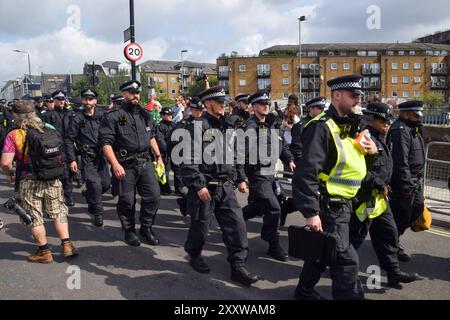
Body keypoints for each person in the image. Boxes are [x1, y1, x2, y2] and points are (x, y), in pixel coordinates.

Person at [292, 75, 378, 300]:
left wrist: (372, 152)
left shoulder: (353, 125)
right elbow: (306, 173)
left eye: (359, 96)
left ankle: (303, 292)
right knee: (347, 261)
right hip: (330, 206)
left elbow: (355, 165)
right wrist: (310, 212)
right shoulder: (320, 127)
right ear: (337, 95)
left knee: (323, 253)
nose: (357, 101)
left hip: (347, 203)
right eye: (353, 96)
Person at [180, 86, 258, 286]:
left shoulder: (227, 127)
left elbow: (234, 155)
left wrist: (240, 177)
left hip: (225, 187)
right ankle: (195, 254)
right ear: (207, 104)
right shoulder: (196, 127)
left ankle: (238, 266)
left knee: (237, 226)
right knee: (201, 227)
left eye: (224, 101)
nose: (224, 105)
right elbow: (187, 160)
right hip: (205, 188)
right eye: (219, 102)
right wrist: (198, 185)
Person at [350, 102, 422, 289]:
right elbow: (359, 171)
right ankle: (331, 267)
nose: (387, 123)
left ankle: (393, 274)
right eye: (383, 120)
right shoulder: (363, 139)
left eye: (387, 120)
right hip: (364, 199)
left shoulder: (380, 137)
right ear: (371, 119)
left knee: (389, 235)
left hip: (380, 199)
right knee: (354, 238)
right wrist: (380, 183)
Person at [0, 100, 78, 263]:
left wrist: (8, 174)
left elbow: (6, 162)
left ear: (15, 116)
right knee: (59, 211)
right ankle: (67, 245)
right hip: (53, 177)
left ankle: (44, 251)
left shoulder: (14, 135)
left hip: (29, 180)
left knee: (34, 216)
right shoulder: (49, 128)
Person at [99, 80, 164, 247]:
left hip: (145, 161)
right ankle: (129, 230)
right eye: (131, 92)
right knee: (127, 201)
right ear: (124, 94)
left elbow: (151, 137)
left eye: (137, 92)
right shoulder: (113, 116)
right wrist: (114, 164)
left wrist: (158, 156)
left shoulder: (145, 114)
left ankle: (146, 228)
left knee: (154, 196)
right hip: (125, 163)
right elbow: (106, 143)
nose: (135, 95)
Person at [241, 92, 295, 262]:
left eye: (267, 103)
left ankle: (236, 219)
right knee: (273, 208)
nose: (266, 106)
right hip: (258, 174)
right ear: (254, 107)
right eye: (262, 103)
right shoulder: (248, 128)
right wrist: (240, 177)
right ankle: (272, 242)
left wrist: (290, 160)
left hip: (271, 174)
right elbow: (239, 153)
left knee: (259, 206)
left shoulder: (272, 125)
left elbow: (282, 145)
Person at [65, 89, 111, 227]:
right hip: (86, 157)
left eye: (90, 99)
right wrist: (72, 159)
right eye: (85, 99)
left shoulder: (103, 116)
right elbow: (68, 139)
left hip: (101, 156)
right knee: (95, 185)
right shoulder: (77, 118)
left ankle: (90, 195)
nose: (88, 101)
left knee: (105, 184)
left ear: (95, 101)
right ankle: (98, 213)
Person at [278, 97, 327, 227]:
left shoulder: (323, 124)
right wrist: (304, 164)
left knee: (320, 197)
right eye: (319, 109)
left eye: (323, 109)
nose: (322, 111)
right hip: (306, 167)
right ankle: (285, 210)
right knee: (304, 196)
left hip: (321, 167)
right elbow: (297, 148)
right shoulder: (302, 126)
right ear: (311, 109)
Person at [387, 100, 426, 262]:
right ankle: (392, 246)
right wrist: (406, 185)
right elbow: (400, 161)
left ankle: (392, 239)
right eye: (416, 115)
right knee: (401, 216)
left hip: (415, 181)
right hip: (404, 183)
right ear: (406, 114)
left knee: (416, 210)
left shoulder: (413, 129)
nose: (419, 118)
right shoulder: (400, 130)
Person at [43, 91, 75, 206]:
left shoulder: (71, 114)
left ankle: (68, 195)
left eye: (63, 99)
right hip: (55, 147)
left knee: (68, 173)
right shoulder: (48, 115)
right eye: (59, 99)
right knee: (56, 172)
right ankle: (55, 196)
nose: (62, 101)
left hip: (68, 146)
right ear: (54, 100)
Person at [155, 107, 179, 195]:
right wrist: (168, 150)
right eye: (167, 115)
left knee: (178, 171)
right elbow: (160, 140)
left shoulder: (175, 125)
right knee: (165, 172)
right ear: (162, 115)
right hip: (166, 153)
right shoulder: (160, 126)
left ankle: (178, 189)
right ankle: (165, 189)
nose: (170, 116)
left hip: (176, 152)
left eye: (171, 114)